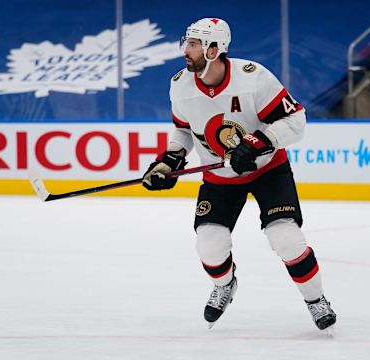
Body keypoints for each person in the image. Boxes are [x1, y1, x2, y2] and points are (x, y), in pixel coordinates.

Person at [142, 17, 336, 331]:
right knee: (209, 244)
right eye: (187, 42)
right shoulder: (180, 84)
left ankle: (316, 300)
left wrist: (259, 142)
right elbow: (182, 131)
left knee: (286, 238)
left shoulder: (254, 78)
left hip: (268, 170)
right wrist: (169, 161)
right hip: (220, 178)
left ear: (214, 49)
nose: (185, 50)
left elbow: (295, 121)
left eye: (193, 44)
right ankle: (225, 285)